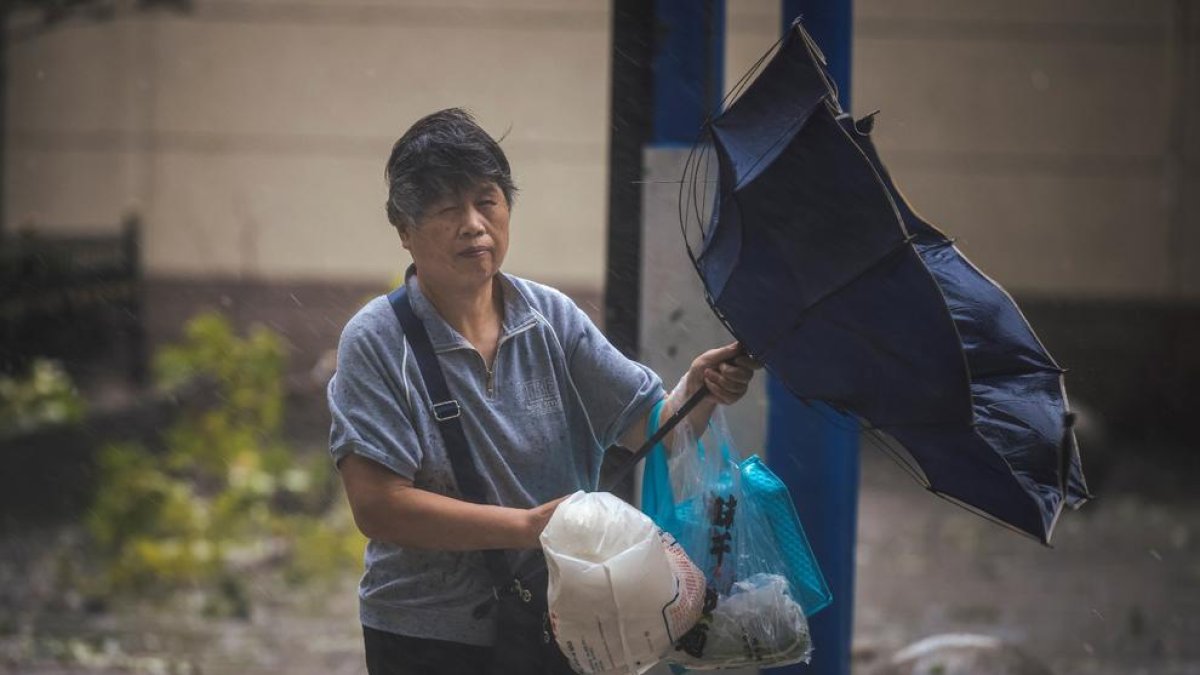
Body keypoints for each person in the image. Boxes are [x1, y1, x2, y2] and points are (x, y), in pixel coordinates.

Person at [327, 108, 759, 675]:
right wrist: (530, 528)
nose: (474, 224)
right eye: (446, 207)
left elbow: (650, 427)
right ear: (404, 229)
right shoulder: (377, 340)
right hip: (425, 633)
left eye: (487, 201)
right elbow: (379, 506)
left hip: (561, 627)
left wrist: (698, 389)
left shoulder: (550, 317)